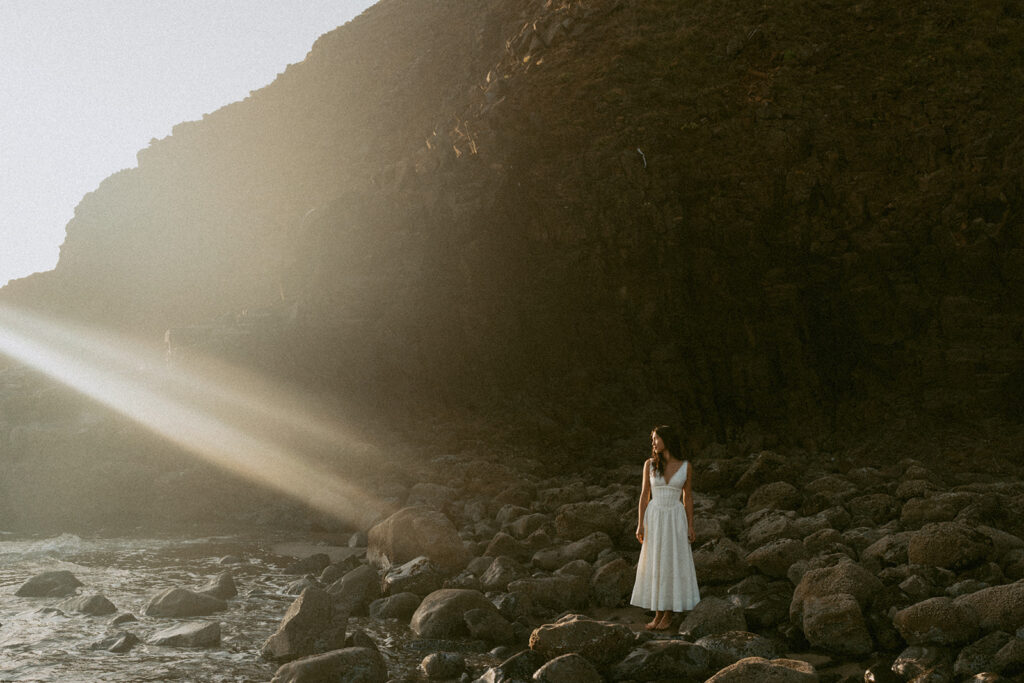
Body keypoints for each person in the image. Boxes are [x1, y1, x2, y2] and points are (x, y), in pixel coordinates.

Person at [630, 424, 700, 630]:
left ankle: (668, 615)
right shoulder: (649, 464)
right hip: (656, 515)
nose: (653, 443)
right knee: (656, 562)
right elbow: (644, 496)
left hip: (675, 516)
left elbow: (688, 498)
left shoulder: (686, 466)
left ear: (666, 440)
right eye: (652, 439)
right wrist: (640, 524)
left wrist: (690, 525)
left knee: (671, 561)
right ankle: (658, 613)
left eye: (655, 438)